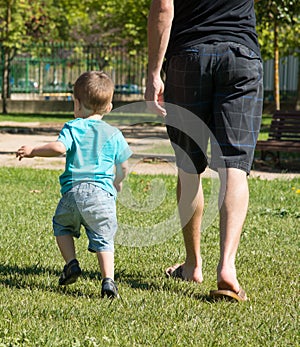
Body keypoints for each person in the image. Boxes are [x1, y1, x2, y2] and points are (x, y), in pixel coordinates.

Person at [145, 0, 263, 301]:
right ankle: (227, 268)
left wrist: (154, 72)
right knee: (234, 168)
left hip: (189, 57)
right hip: (241, 56)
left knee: (188, 166)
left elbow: (162, 9)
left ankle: (193, 264)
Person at [16, 71, 132, 298]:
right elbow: (125, 166)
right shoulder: (114, 133)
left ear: (76, 103)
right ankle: (108, 280)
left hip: (73, 194)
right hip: (102, 197)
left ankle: (71, 263)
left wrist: (33, 151)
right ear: (109, 107)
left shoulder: (73, 126)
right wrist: (116, 182)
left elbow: (59, 148)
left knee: (62, 226)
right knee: (104, 238)